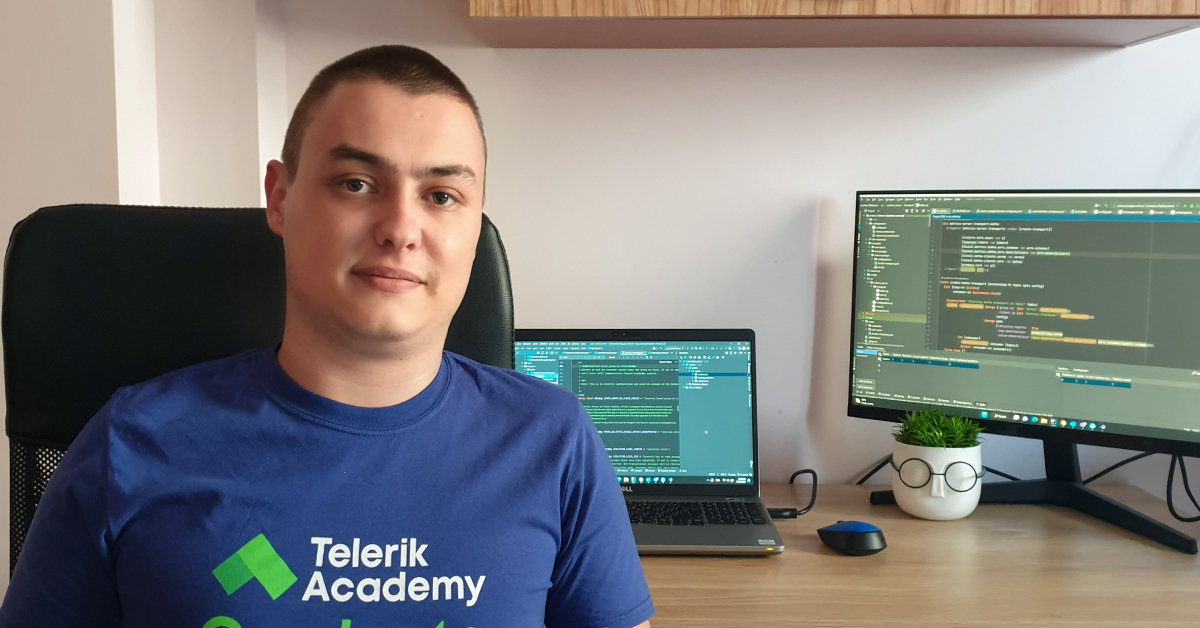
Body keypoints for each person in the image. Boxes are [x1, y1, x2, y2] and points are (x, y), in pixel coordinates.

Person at [0, 45, 653, 628]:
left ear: (475, 221)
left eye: (442, 195)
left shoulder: (554, 441)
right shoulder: (130, 445)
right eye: (357, 183)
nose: (401, 227)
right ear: (279, 198)